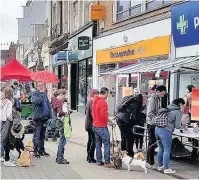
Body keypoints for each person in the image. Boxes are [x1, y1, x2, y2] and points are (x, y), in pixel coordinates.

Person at [155, 98, 185, 174]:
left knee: (161, 148)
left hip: (157, 129)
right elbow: (177, 126)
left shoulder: (168, 107)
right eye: (183, 105)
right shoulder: (178, 111)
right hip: (165, 131)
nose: (183, 107)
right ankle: (166, 168)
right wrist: (184, 127)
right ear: (180, 104)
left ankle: (160, 166)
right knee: (167, 150)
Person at [92, 87, 114, 168]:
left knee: (98, 143)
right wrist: (110, 121)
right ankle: (107, 162)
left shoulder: (95, 101)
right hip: (101, 126)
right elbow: (103, 115)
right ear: (105, 93)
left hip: (95, 125)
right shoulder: (103, 103)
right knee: (107, 143)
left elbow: (93, 113)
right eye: (107, 93)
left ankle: (98, 160)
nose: (108, 95)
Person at [146, 85, 166, 168]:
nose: (163, 95)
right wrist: (157, 119)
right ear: (158, 91)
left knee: (154, 142)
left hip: (154, 123)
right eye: (162, 93)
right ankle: (149, 162)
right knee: (152, 142)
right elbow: (150, 112)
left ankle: (150, 161)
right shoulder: (152, 99)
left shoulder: (157, 98)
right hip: (151, 124)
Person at [32, 81, 51, 158]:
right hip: (38, 117)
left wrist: (50, 115)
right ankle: (35, 150)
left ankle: (42, 150)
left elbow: (47, 104)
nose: (41, 86)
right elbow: (37, 102)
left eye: (42, 85)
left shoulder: (45, 94)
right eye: (39, 85)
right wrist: (42, 94)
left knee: (43, 135)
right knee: (37, 135)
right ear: (37, 86)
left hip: (45, 117)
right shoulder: (35, 93)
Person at [51, 89, 69, 164]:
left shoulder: (54, 100)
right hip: (61, 121)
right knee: (63, 139)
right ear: (61, 95)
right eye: (64, 95)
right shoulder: (58, 101)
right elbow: (60, 112)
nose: (64, 97)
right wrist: (66, 113)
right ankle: (60, 158)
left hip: (57, 121)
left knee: (62, 139)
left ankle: (58, 157)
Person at [0, 87, 16, 166]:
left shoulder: (2, 101)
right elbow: (9, 114)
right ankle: (7, 160)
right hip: (8, 122)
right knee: (8, 140)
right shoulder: (9, 102)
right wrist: (12, 118)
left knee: (3, 139)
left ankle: (3, 157)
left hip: (2, 122)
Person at [85, 89, 99, 163]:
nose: (98, 95)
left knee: (90, 140)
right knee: (93, 140)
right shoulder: (92, 102)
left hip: (88, 123)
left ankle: (88, 156)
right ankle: (91, 157)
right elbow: (93, 114)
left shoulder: (88, 101)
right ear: (94, 94)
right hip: (92, 124)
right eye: (97, 94)